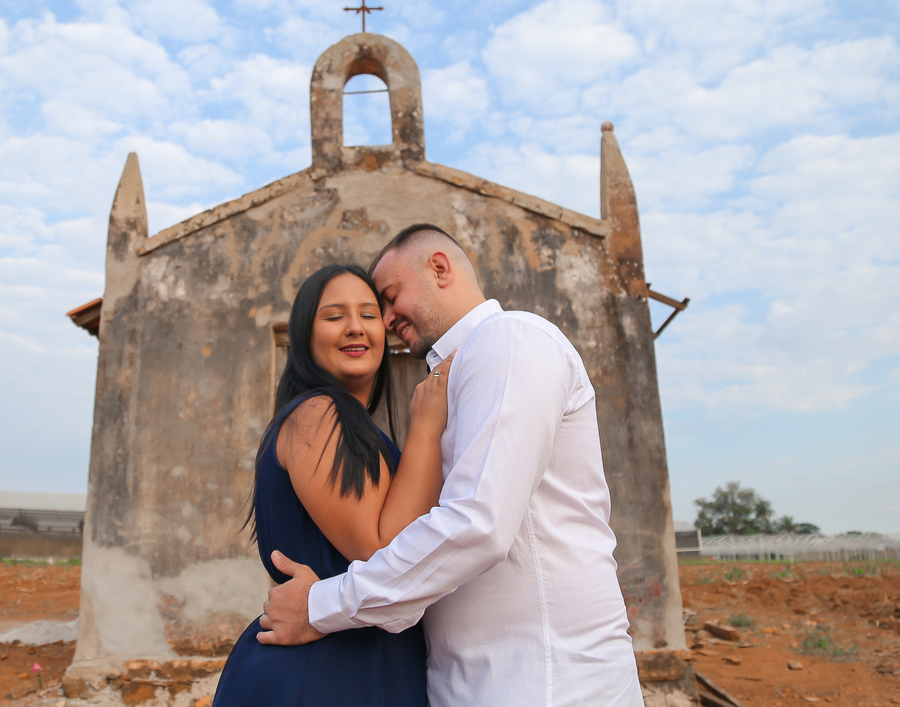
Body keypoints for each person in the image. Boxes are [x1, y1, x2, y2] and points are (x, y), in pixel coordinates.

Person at [257, 225, 644, 707]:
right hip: (467, 683)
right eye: (339, 315)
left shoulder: (509, 340)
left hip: (544, 681)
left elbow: (478, 523)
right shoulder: (448, 380)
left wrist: (322, 604)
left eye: (387, 300)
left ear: (439, 269)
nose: (385, 320)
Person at [212, 263, 452, 707]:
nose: (355, 327)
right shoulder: (316, 414)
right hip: (321, 673)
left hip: (366, 662)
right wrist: (426, 425)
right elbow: (384, 553)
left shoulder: (357, 428)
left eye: (368, 314)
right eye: (335, 316)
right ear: (304, 336)